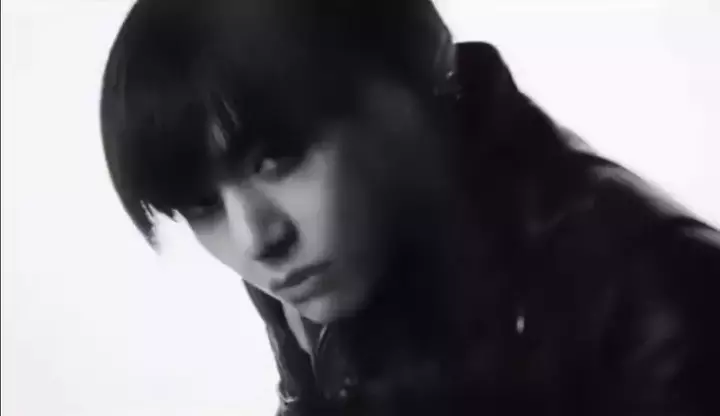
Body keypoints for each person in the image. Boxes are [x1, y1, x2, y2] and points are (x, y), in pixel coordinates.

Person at [100, 0, 720, 414]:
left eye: (279, 157)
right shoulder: (314, 263)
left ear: (411, 74)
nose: (255, 239)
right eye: (202, 204)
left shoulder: (657, 299)